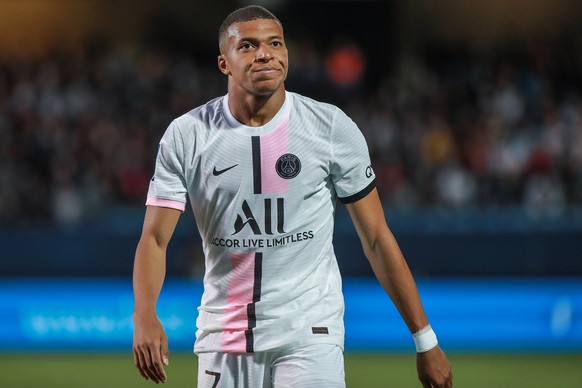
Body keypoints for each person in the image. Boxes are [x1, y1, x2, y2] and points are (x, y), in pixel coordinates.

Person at [132, 5, 453, 387]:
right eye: (248, 46)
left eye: (275, 43)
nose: (265, 53)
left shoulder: (330, 127)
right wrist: (145, 316)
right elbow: (154, 238)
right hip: (226, 335)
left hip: (310, 330)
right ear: (224, 63)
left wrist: (425, 340)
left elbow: (377, 238)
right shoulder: (188, 135)